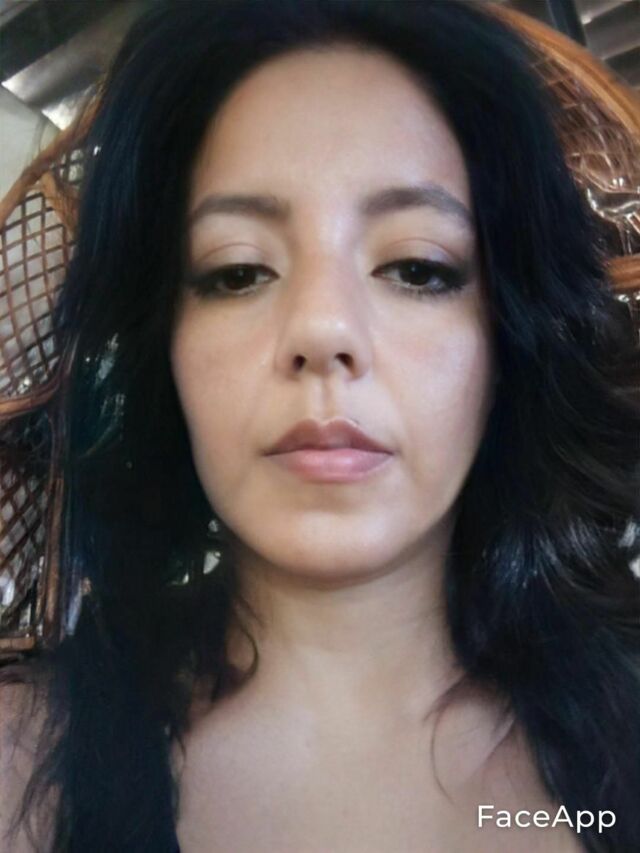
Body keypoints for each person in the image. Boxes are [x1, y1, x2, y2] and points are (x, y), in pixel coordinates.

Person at [1, 1, 639, 850]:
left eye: (418, 268)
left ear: (508, 344)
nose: (323, 328)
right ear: (164, 351)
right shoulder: (16, 766)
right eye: (236, 272)